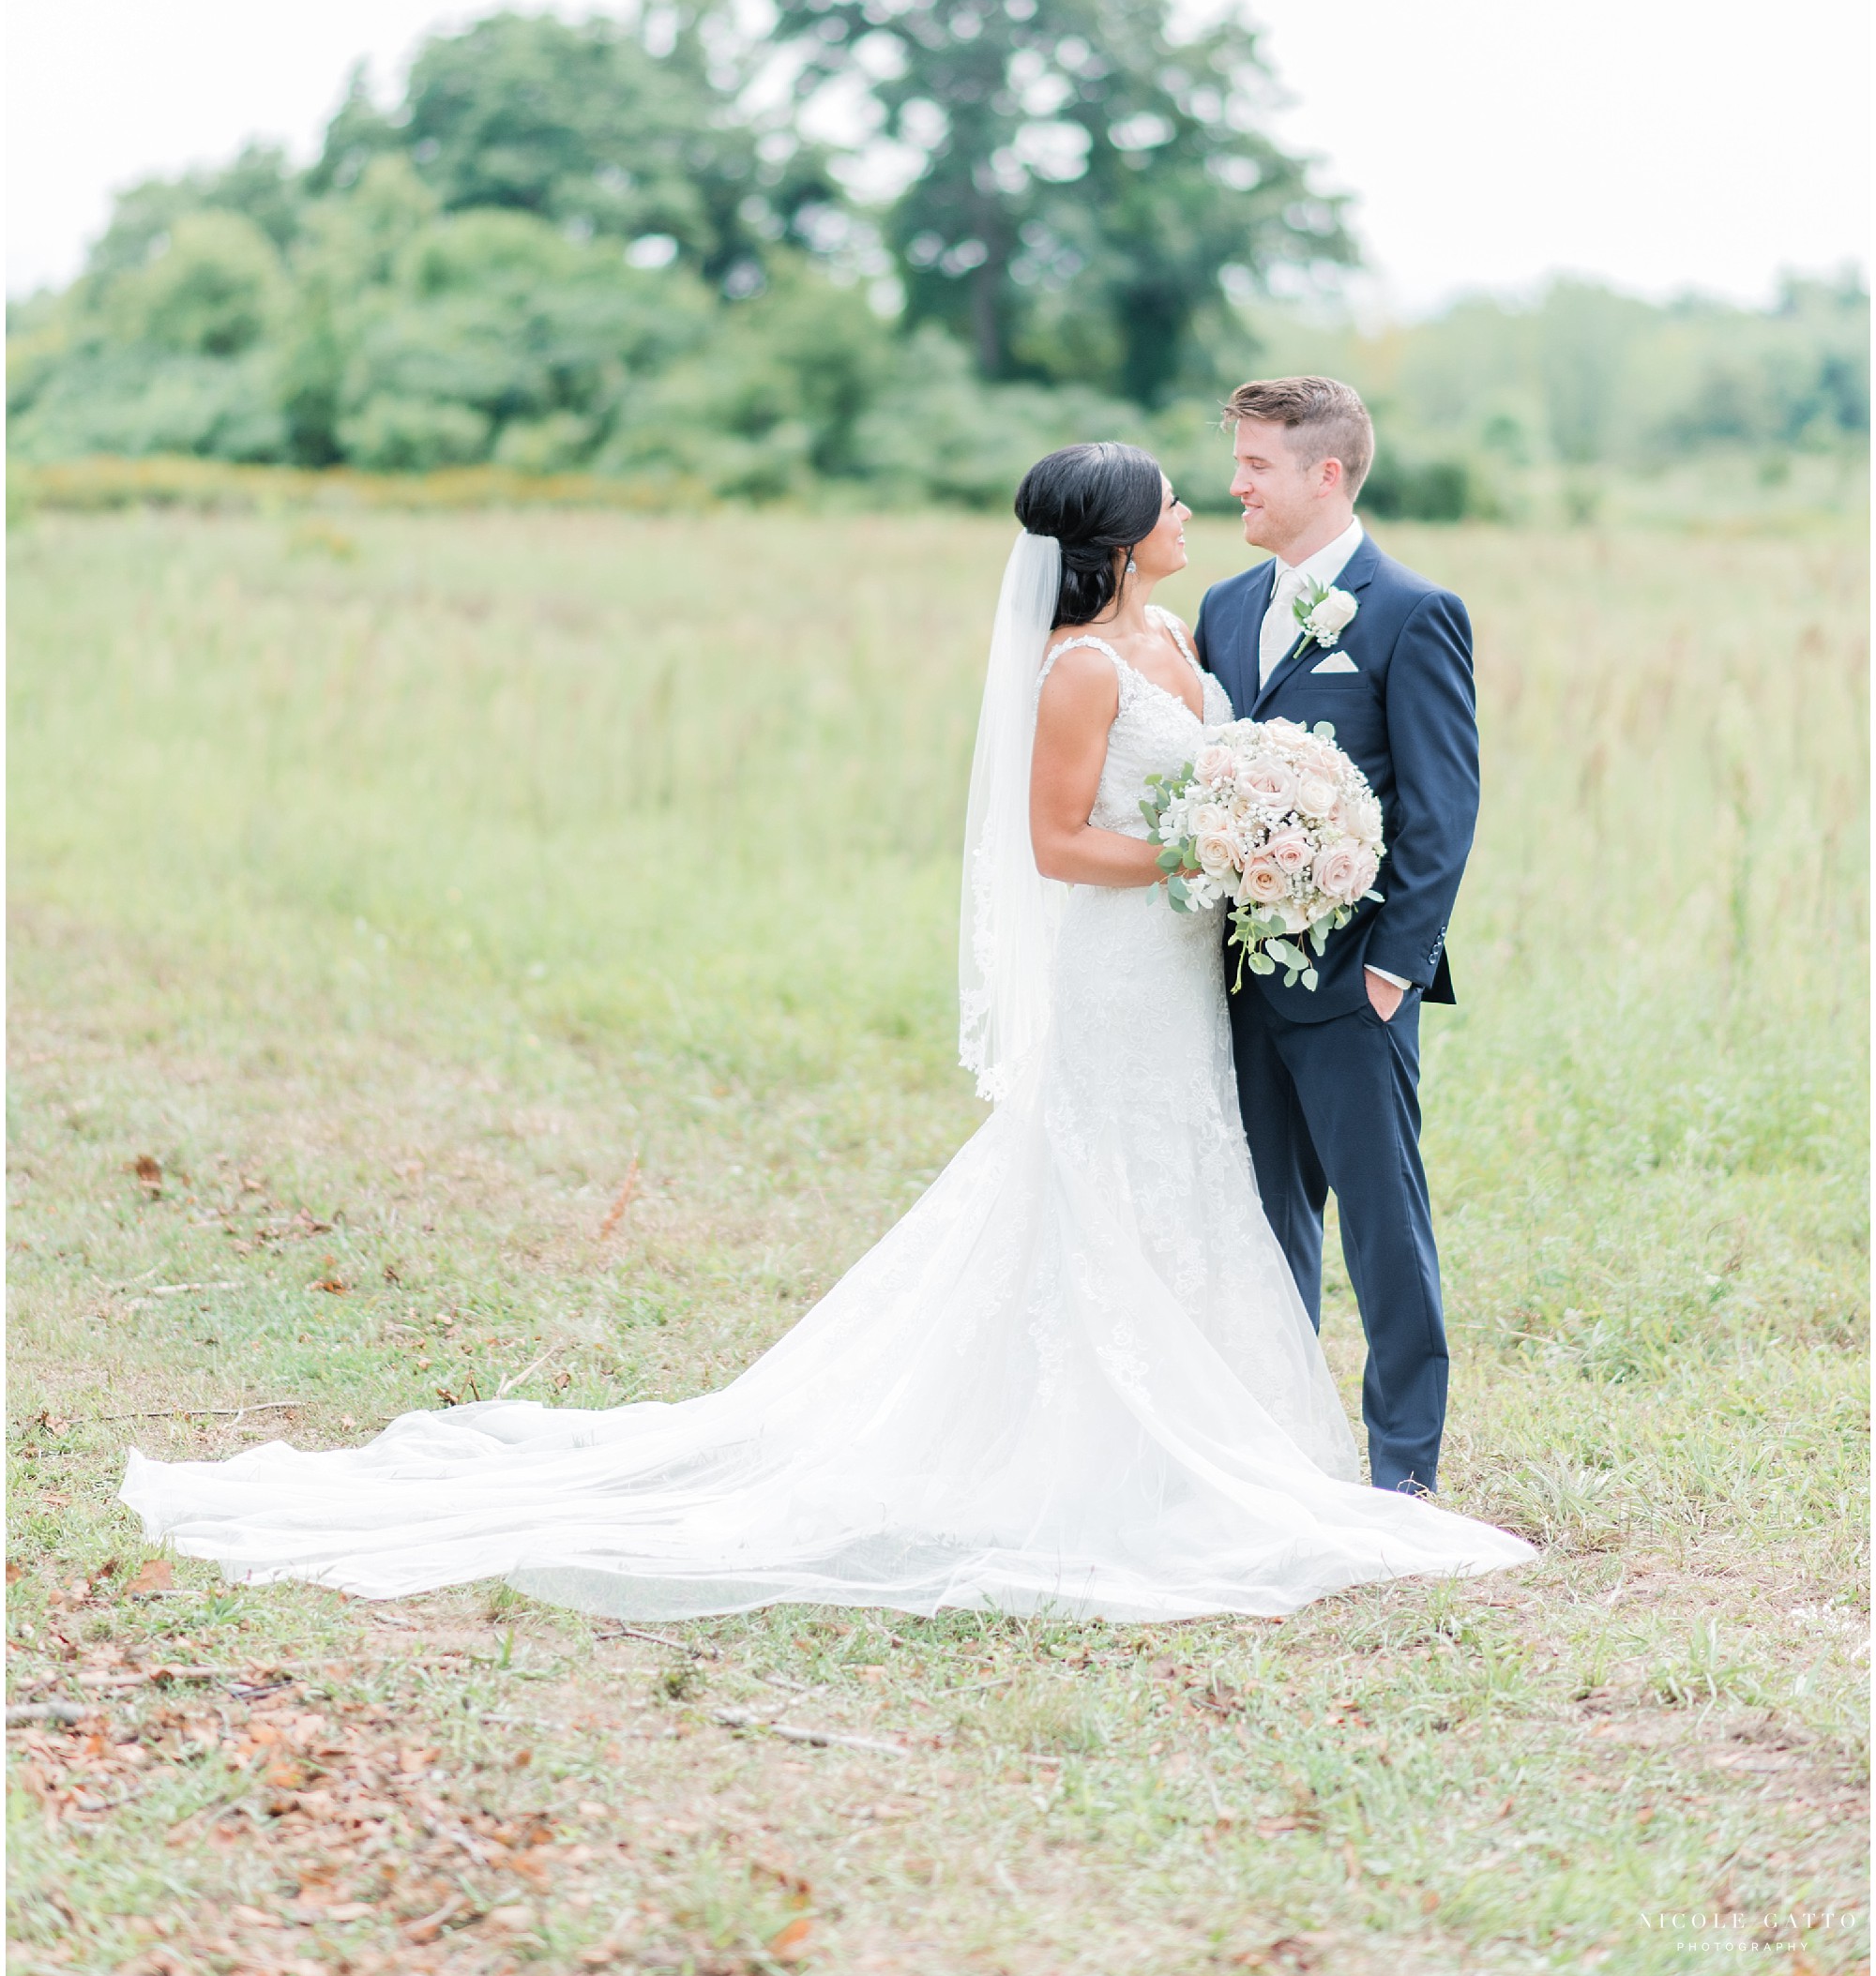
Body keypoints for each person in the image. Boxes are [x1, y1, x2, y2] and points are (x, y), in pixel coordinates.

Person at [122, 442, 1529, 1622]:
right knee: (1107, 1183)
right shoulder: (1080, 668)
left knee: (1206, 1187)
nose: (1195, 508)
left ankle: (1247, 1439)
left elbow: (1300, 767)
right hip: (1124, 960)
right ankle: (1108, 1450)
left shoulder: (1190, 630)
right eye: (1171, 496)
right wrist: (1200, 853)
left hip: (1196, 974)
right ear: (1114, 538)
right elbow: (1053, 844)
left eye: (1214, 481)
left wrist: (1257, 848)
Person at [1195, 378, 1475, 1496]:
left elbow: (1440, 808)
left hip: (1356, 979)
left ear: (1324, 473)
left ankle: (1401, 1468)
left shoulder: (1411, 609)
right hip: (1233, 977)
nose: (1234, 485)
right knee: (1262, 1224)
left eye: (1255, 464)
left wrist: (1393, 969)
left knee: (1382, 1228)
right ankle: (1280, 1449)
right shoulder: (1220, 603)